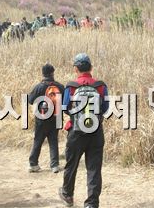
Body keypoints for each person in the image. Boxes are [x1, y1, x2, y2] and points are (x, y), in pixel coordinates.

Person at [59, 54, 109, 208]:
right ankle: (92, 203)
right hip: (96, 132)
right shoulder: (101, 86)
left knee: (71, 164)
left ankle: (68, 195)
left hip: (76, 132)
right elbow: (105, 109)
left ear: (75, 68)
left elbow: (65, 108)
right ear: (91, 68)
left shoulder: (71, 86)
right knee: (94, 168)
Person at [28, 63, 65, 173]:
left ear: (43, 73)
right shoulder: (60, 86)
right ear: (53, 73)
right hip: (56, 117)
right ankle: (54, 165)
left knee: (38, 140)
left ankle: (33, 164)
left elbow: (30, 100)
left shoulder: (39, 87)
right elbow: (65, 101)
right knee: (53, 141)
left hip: (41, 118)